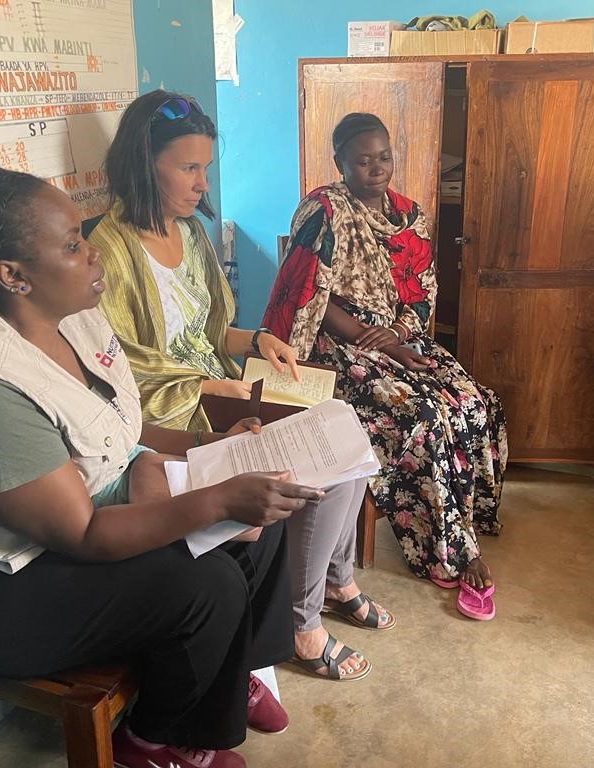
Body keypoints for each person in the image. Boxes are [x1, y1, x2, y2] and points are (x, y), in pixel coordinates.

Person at [0, 165, 329, 768]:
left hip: (56, 533)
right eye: (74, 243)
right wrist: (219, 499)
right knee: (204, 582)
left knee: (256, 531)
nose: (95, 252)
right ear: (12, 275)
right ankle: (149, 740)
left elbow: (117, 431)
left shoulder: (69, 317)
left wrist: (206, 448)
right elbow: (81, 534)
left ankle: (222, 682)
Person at [89, 90, 393, 680]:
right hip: (166, 408)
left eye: (206, 168)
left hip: (219, 385)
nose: (202, 184)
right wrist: (210, 387)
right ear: (142, 164)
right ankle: (303, 627)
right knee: (314, 472)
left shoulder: (190, 235)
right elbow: (122, 364)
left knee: (348, 437)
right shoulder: (109, 249)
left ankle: (337, 580)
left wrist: (256, 342)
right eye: (188, 168)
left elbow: (210, 331)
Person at [261, 112, 509, 621]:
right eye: (362, 159)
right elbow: (310, 294)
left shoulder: (409, 216)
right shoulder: (323, 211)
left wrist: (396, 337)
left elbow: (422, 292)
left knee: (473, 401)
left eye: (384, 157)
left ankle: (467, 518)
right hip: (337, 346)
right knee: (422, 416)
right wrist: (368, 338)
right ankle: (449, 550)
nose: (376, 168)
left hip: (396, 337)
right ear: (340, 163)